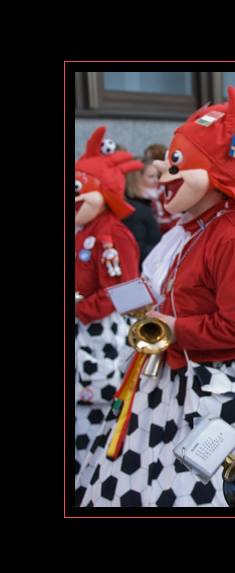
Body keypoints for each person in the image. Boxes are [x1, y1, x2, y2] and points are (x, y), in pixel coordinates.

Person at [75, 86, 235, 507]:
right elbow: (153, 288)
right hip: (177, 375)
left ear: (214, 170)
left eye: (176, 164)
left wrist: (173, 328)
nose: (162, 176)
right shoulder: (186, 230)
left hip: (226, 386)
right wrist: (128, 308)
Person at [74, 127, 142, 474]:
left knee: (100, 401)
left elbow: (126, 292)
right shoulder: (83, 230)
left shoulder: (112, 233)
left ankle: (92, 468)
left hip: (102, 335)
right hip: (84, 330)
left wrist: (80, 309)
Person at [122, 157, 163, 264]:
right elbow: (139, 248)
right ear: (136, 180)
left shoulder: (146, 204)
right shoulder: (134, 210)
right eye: (151, 177)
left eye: (157, 176)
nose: (156, 181)